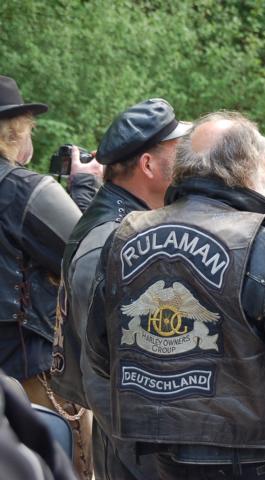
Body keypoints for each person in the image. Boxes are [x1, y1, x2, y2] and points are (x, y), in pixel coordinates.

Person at [85, 111, 265, 479]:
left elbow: (101, 352)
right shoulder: (264, 244)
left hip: (162, 456)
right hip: (264, 456)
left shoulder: (124, 236)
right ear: (251, 169)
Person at [50, 98, 190, 479]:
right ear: (148, 165)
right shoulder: (114, 242)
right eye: (177, 151)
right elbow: (117, 365)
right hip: (135, 441)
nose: (187, 161)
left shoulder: (124, 225)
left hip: (134, 434)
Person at [0, 75, 101, 477]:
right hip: (28, 368)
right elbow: (83, 254)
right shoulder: (24, 190)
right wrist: (86, 186)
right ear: (14, 133)